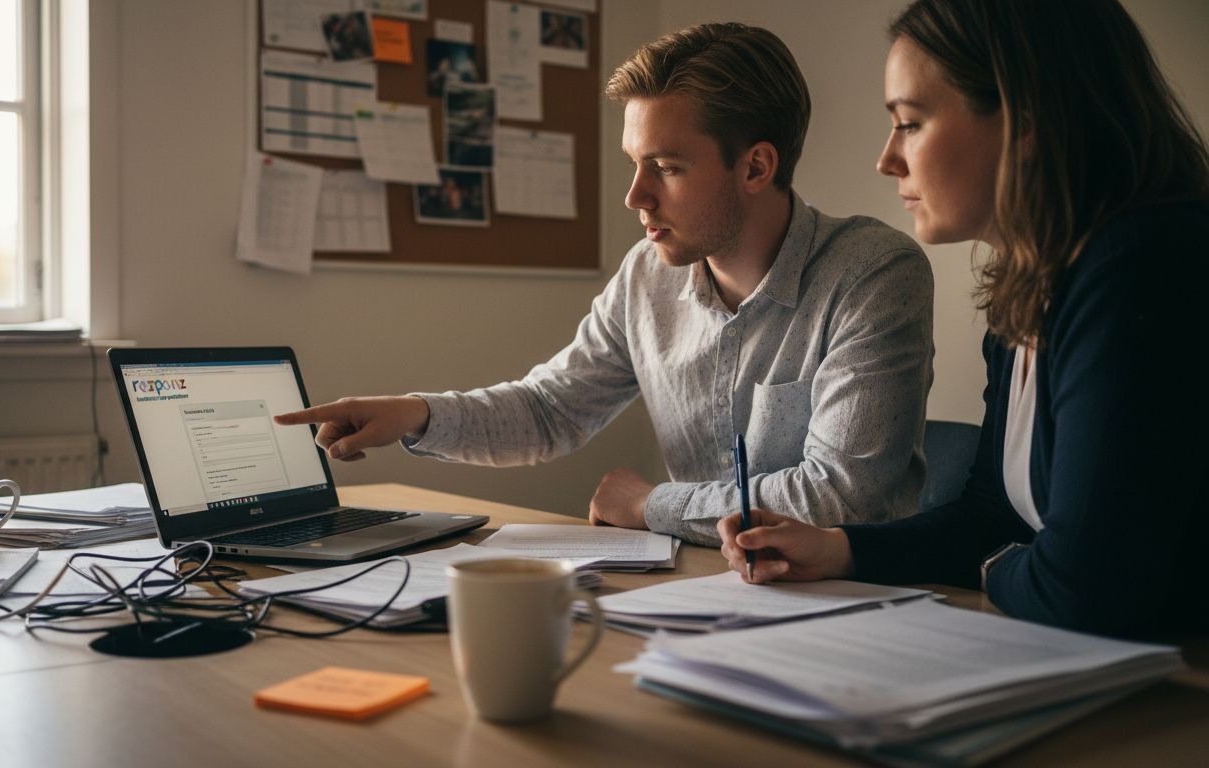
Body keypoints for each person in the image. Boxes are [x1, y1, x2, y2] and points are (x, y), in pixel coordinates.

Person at [276, 23, 935, 545]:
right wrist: (415, 415)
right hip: (700, 591)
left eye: (666, 167)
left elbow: (843, 497)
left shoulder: (872, 274)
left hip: (849, 602)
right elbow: (550, 411)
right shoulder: (647, 276)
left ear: (757, 166)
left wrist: (653, 505)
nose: (635, 197)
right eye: (633, 164)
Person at [719, 0, 1209, 637]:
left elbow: (1087, 591)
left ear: (1025, 118)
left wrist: (995, 567)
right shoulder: (1031, 288)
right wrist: (840, 548)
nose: (887, 159)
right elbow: (992, 517)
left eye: (911, 123)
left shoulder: (1144, 267)